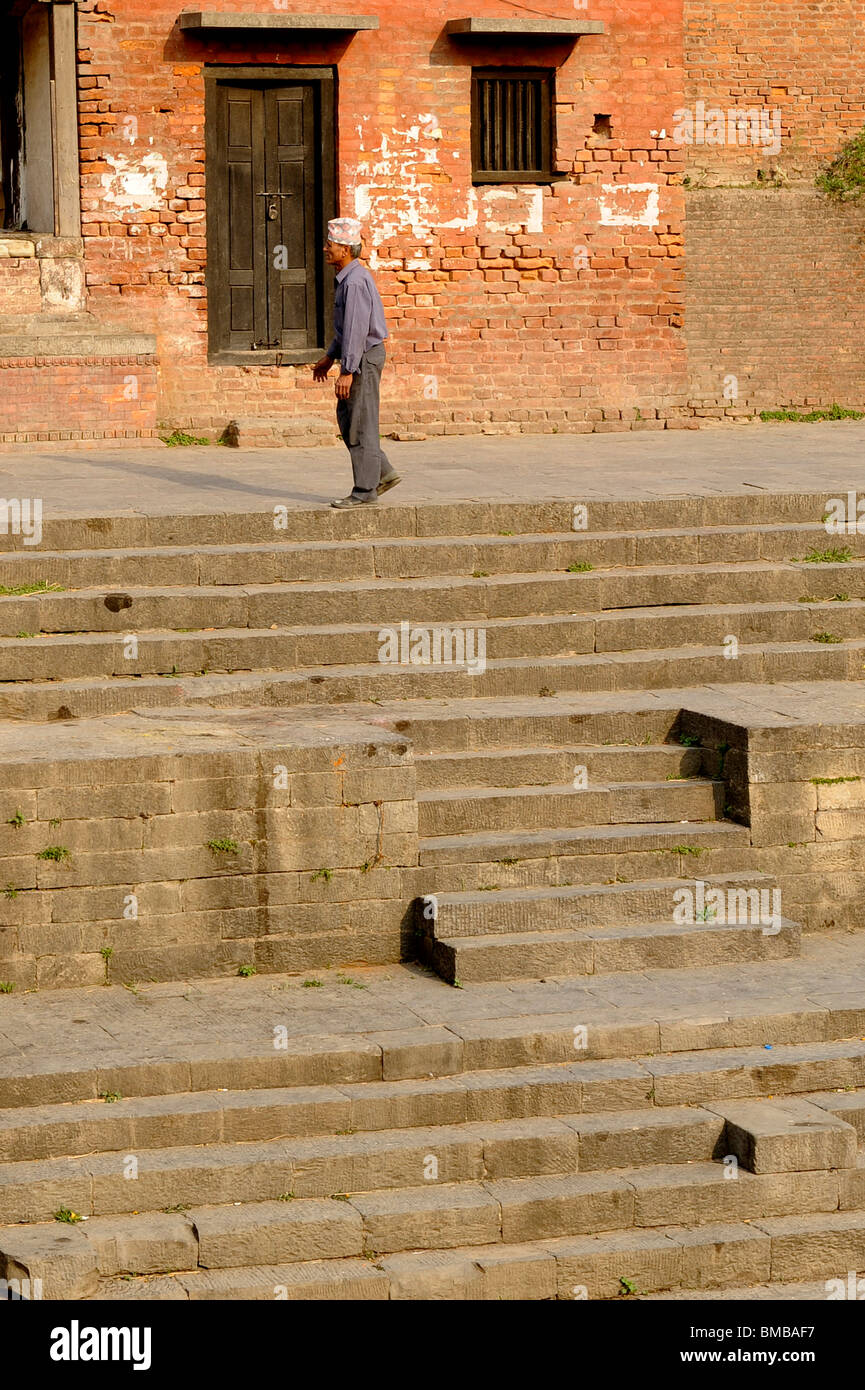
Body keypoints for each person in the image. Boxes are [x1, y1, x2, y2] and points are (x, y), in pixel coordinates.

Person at [312, 217, 401, 508]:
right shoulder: (349, 280)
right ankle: (382, 473)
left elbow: (356, 331)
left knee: (359, 422)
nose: (326, 249)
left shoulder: (354, 283)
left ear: (346, 250)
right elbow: (346, 328)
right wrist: (329, 357)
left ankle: (365, 490)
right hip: (359, 355)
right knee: (351, 417)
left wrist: (348, 371)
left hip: (363, 357)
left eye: (330, 245)